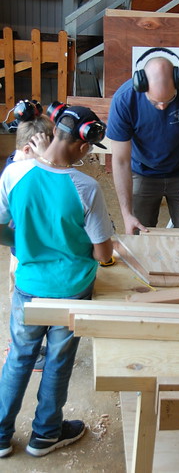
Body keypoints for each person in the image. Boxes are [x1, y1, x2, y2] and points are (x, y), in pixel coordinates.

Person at [0, 105, 113, 458]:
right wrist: (106, 255)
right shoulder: (86, 186)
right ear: (83, 146)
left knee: (19, 358)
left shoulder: (13, 174)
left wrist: (26, 244)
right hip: (71, 291)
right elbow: (102, 253)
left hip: (29, 286)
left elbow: (2, 225)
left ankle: (1, 435)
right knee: (58, 361)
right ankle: (46, 433)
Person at [106, 47, 179, 234]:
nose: (161, 107)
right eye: (155, 102)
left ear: (178, 82)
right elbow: (120, 160)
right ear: (142, 85)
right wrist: (126, 214)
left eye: (169, 100)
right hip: (142, 173)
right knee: (138, 235)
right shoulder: (124, 100)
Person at [2, 107, 54, 372]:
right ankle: (19, 349)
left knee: (26, 302)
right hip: (21, 251)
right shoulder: (18, 173)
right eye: (43, 150)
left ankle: (24, 346)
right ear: (26, 150)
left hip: (25, 248)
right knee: (21, 304)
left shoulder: (19, 165)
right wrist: (46, 159)